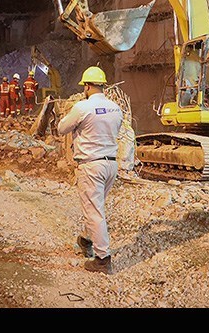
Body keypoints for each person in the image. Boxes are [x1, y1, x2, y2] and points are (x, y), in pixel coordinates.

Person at [57, 66, 123, 275]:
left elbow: (61, 129)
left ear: (86, 86)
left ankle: (102, 259)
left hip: (91, 165)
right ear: (102, 85)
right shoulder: (115, 108)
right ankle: (86, 239)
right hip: (111, 164)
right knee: (95, 206)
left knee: (94, 210)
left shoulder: (82, 107)